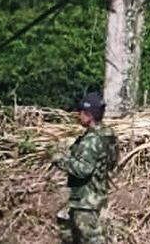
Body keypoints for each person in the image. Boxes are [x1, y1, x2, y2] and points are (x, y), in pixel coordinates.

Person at [52, 92, 119, 244]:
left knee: (92, 239)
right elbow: (113, 162)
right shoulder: (108, 135)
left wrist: (60, 159)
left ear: (88, 115)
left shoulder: (91, 140)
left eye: (81, 112)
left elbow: (83, 169)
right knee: (68, 235)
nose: (78, 115)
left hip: (86, 201)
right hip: (94, 195)